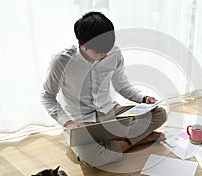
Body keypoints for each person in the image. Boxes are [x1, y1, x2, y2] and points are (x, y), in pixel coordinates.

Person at [41, 11, 167, 167]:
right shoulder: (61, 61)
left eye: (108, 49)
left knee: (159, 114)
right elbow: (47, 96)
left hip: (110, 112)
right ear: (81, 45)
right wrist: (68, 123)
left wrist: (143, 99)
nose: (105, 55)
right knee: (93, 157)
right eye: (99, 53)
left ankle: (115, 142)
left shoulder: (114, 53)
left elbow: (122, 85)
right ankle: (138, 140)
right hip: (80, 122)